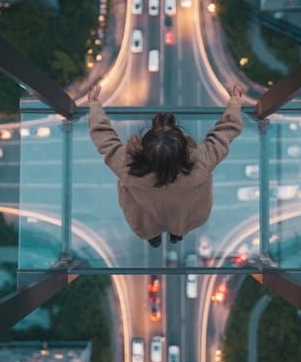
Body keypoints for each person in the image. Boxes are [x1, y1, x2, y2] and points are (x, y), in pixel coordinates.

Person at [88, 82, 246, 247]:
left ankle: (153, 237)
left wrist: (94, 106)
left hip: (144, 218)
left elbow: (104, 138)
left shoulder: (128, 166)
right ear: (184, 146)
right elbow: (226, 130)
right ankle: (177, 233)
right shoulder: (201, 161)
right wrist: (234, 101)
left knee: (148, 225)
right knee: (180, 222)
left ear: (144, 146)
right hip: (184, 215)